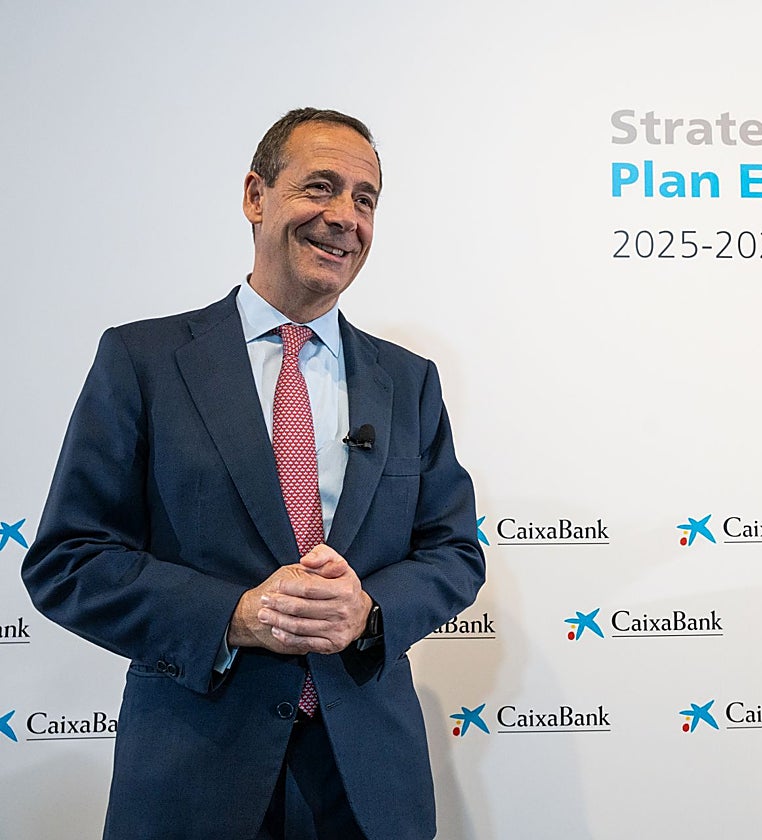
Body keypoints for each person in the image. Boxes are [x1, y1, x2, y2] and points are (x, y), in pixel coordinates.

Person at [22, 108, 485, 839]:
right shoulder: (143, 362)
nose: (345, 217)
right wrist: (234, 616)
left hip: (368, 786)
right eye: (320, 187)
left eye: (365, 199)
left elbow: (453, 552)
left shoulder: (409, 381)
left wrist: (370, 611)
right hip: (194, 777)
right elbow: (68, 560)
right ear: (255, 196)